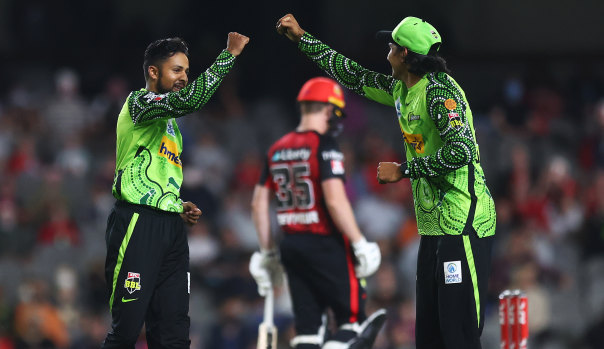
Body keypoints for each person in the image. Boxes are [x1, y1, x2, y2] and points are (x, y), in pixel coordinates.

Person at [276, 14, 496, 349]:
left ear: (405, 54)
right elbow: (350, 74)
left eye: (391, 47)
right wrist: (302, 38)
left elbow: (463, 151)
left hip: (464, 222)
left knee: (459, 333)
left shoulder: (440, 93)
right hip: (435, 227)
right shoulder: (401, 89)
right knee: (431, 336)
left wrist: (403, 171)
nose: (387, 54)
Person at [102, 32, 249, 348]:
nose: (184, 77)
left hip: (171, 229)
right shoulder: (138, 103)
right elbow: (190, 100)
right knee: (126, 332)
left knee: (174, 335)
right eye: (176, 70)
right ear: (153, 72)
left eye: (186, 70)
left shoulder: (171, 128)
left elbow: (157, 174)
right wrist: (229, 55)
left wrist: (177, 204)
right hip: (138, 223)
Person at [249, 77, 386, 349]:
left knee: (308, 331)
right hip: (325, 244)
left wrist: (267, 253)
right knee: (353, 324)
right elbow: (335, 201)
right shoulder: (324, 145)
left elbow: (258, 204)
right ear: (328, 109)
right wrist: (359, 241)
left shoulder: (277, 148)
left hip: (291, 245)